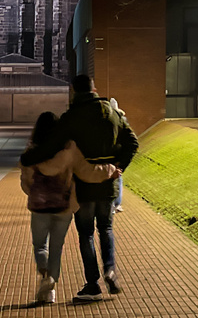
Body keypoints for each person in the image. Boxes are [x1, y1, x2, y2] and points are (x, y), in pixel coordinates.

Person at [20, 74, 138, 302]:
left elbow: (52, 146)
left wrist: (28, 158)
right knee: (106, 228)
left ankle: (93, 284)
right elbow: (133, 142)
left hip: (83, 186)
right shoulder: (112, 113)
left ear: (74, 90)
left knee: (86, 234)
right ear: (94, 89)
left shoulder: (71, 117)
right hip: (108, 182)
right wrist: (118, 166)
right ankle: (110, 269)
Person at [19, 111, 119, 305]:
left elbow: (26, 182)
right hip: (64, 207)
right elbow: (87, 172)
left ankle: (45, 279)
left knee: (40, 246)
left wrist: (35, 193)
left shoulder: (32, 151)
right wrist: (111, 170)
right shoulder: (69, 148)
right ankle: (51, 285)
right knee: (57, 248)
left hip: (39, 207)